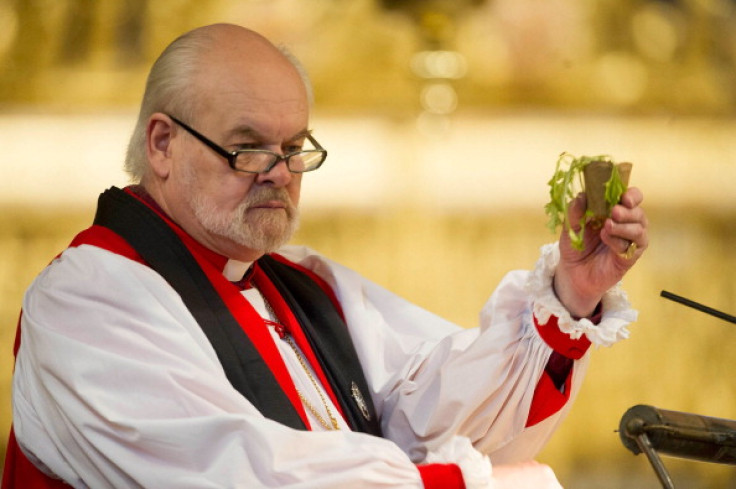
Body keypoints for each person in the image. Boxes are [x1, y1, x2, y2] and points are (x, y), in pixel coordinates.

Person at [2, 23, 648, 489]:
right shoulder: (89, 297)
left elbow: (431, 418)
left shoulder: (304, 284)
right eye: (249, 146)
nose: (280, 174)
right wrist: (467, 485)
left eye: (295, 147)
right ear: (164, 143)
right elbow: (236, 470)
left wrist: (571, 294)